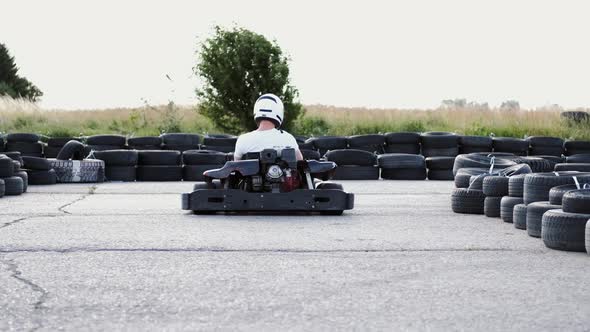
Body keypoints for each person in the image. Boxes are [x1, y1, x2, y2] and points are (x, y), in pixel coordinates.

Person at [233, 93, 303, 161]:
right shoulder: (288, 138)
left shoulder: (243, 140)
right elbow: (300, 162)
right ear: (279, 111)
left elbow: (237, 166)